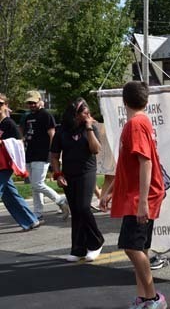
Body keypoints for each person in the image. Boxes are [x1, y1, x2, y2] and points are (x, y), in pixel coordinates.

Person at [101, 81, 167, 309]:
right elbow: (127, 166)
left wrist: (142, 203)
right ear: (146, 101)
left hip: (140, 197)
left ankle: (153, 298)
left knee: (131, 247)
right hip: (140, 195)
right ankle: (143, 297)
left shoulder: (135, 124)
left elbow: (145, 162)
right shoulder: (139, 122)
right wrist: (109, 191)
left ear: (124, 100)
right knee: (141, 247)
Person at [50, 98, 104, 262]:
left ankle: (96, 242)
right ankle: (79, 248)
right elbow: (54, 155)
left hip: (86, 171)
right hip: (68, 174)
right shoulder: (62, 131)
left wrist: (88, 127)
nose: (88, 115)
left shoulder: (90, 127)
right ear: (75, 114)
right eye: (84, 112)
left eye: (88, 112)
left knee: (83, 207)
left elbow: (96, 150)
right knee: (76, 211)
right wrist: (58, 174)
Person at [22, 90, 69, 221]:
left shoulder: (45, 115)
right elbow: (25, 135)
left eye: (33, 102)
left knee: (37, 184)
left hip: (42, 154)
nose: (31, 105)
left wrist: (52, 153)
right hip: (30, 154)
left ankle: (60, 200)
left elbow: (52, 135)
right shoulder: (27, 117)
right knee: (35, 186)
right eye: (29, 103)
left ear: (39, 101)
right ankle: (38, 213)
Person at [0, 93, 41, 231]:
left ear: (6, 105)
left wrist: (3, 143)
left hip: (5, 164)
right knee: (9, 195)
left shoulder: (9, 123)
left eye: (0, 104)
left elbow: (19, 142)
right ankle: (30, 220)